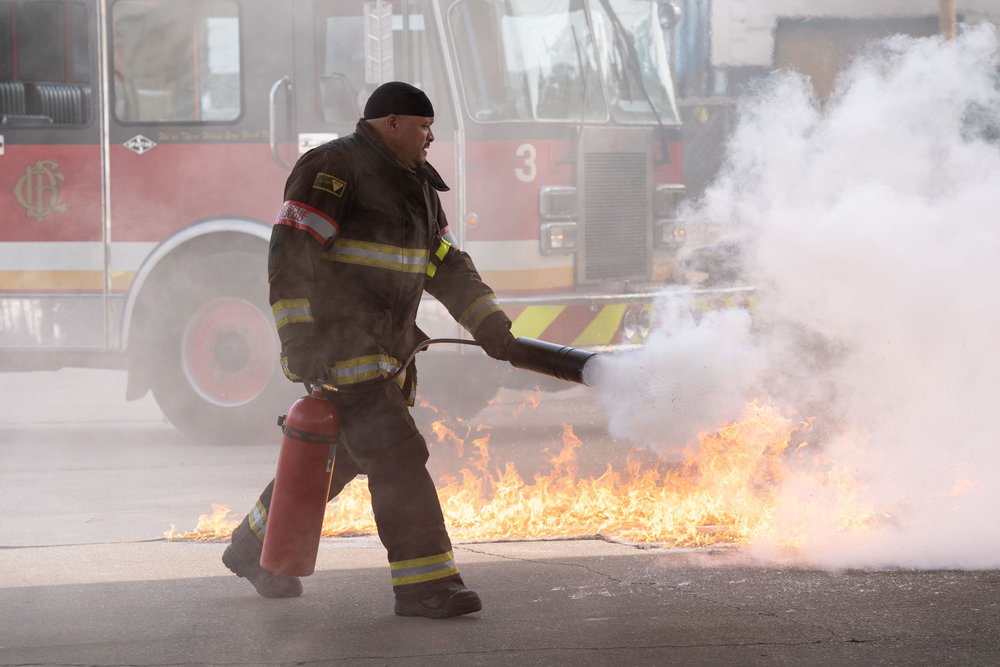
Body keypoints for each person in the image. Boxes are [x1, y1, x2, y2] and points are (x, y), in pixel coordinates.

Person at [222, 81, 515, 619]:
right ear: (393, 122)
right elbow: (291, 254)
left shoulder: (420, 187)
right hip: (340, 346)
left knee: (342, 459)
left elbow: (444, 263)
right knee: (399, 456)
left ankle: (251, 550)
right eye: (425, 126)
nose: (431, 138)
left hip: (387, 352)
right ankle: (427, 586)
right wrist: (298, 339)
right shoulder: (333, 167)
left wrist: (489, 323)